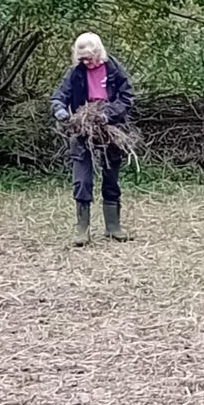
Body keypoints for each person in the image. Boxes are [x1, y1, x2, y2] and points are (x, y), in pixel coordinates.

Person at [50, 32, 135, 246]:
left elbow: (126, 97)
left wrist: (109, 114)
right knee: (82, 179)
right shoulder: (75, 73)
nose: (85, 62)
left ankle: (113, 227)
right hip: (82, 128)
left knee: (110, 176)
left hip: (110, 128)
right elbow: (59, 96)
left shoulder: (114, 69)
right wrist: (59, 109)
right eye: (82, 58)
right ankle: (82, 229)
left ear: (98, 52)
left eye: (89, 57)